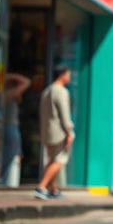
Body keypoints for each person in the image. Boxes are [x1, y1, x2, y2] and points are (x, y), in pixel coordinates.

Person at [35, 66, 75, 200]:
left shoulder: (47, 91)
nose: (69, 77)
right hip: (59, 132)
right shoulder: (61, 91)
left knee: (52, 160)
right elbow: (64, 114)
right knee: (59, 160)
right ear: (62, 75)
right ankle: (41, 187)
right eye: (68, 75)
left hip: (47, 131)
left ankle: (54, 189)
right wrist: (68, 132)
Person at [0, 73, 31, 187]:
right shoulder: (7, 94)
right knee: (9, 155)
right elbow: (27, 82)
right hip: (10, 127)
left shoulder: (11, 96)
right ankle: (4, 181)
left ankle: (8, 181)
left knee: (15, 154)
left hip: (13, 128)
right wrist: (11, 76)